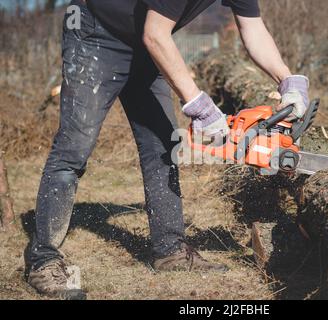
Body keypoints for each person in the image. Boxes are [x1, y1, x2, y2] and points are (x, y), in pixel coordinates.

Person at [27, 0, 310, 299]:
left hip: (145, 43)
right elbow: (155, 33)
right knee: (74, 147)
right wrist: (201, 108)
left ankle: (170, 250)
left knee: (163, 145)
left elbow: (252, 26)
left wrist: (287, 79)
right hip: (96, 33)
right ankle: (42, 260)